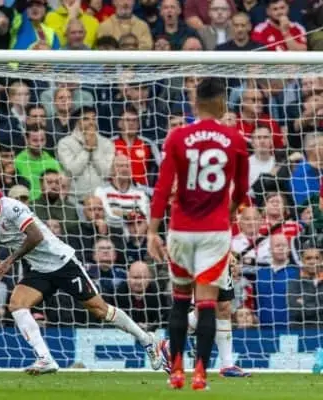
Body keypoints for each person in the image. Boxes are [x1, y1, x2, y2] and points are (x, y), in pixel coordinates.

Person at [0, 178, 162, 375]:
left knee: (100, 311)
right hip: (39, 268)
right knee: (17, 304)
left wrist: (9, 261)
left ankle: (147, 340)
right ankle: (45, 359)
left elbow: (36, 236)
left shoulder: (12, 208)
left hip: (62, 263)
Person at [147, 77, 249, 390]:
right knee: (207, 304)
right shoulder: (234, 139)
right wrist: (229, 213)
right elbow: (242, 190)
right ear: (222, 103)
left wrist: (153, 230)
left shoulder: (178, 137)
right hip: (214, 233)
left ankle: (176, 371)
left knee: (180, 301)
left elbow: (163, 188)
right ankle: (201, 374)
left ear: (194, 103)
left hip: (181, 230)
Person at [160, 252, 252, 378]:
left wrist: (225, 250)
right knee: (204, 307)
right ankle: (169, 346)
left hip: (218, 252)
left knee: (224, 307)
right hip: (197, 251)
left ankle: (227, 365)